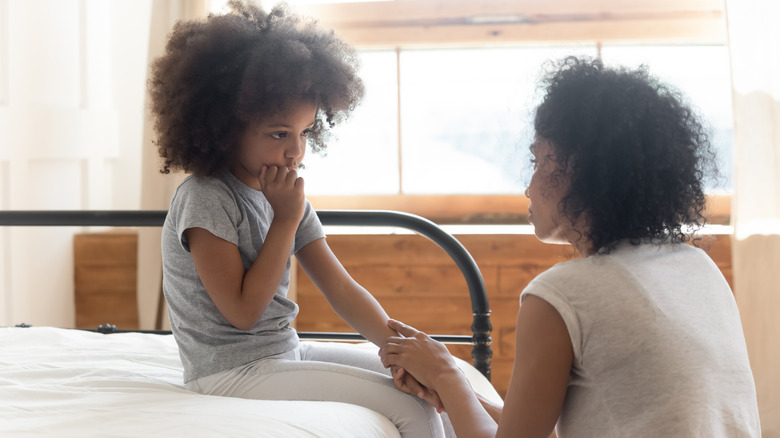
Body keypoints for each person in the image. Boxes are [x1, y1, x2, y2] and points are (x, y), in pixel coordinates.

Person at [379, 56, 761, 437]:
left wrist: (447, 374)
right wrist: (452, 390)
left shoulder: (563, 294)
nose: (528, 187)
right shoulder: (698, 267)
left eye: (539, 161)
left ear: (579, 169)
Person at [149, 2, 446, 436]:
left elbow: (341, 288)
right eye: (279, 133)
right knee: (414, 410)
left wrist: (401, 349)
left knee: (431, 386)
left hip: (283, 352)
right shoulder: (205, 198)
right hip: (227, 372)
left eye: (305, 132)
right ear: (227, 128)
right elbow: (243, 313)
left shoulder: (285, 196)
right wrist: (284, 221)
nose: (296, 151)